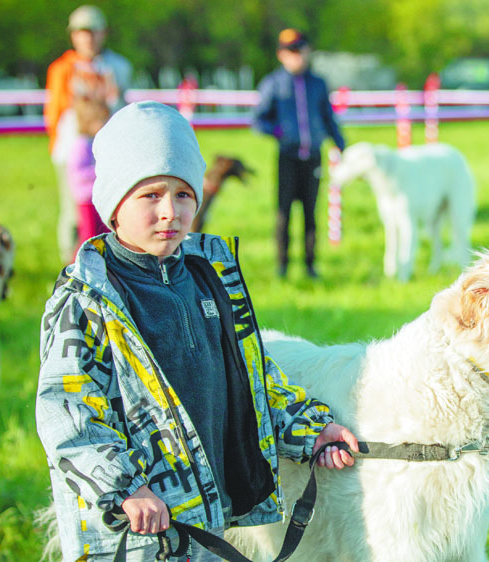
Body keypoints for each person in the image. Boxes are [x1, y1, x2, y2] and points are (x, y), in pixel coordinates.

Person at [36, 101, 359, 562]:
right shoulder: (87, 299)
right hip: (128, 532)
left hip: (205, 526)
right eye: (150, 195)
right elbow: (65, 411)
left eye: (183, 195)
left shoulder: (209, 279)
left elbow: (250, 380)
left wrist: (310, 429)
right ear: (113, 203)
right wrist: (126, 488)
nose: (170, 211)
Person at [253, 29, 346, 279]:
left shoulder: (318, 83)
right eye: (291, 52)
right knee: (284, 213)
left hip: (313, 156)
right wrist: (280, 132)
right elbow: (259, 120)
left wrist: (341, 144)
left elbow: (328, 118)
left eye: (300, 50)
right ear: (281, 55)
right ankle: (282, 265)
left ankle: (310, 265)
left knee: (310, 213)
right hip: (288, 157)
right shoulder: (273, 84)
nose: (297, 57)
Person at [44, 5, 132, 263]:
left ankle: (111, 261)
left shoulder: (118, 67)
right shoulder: (62, 69)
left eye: (93, 32)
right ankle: (71, 266)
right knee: (74, 212)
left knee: (110, 209)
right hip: (74, 151)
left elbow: (122, 107)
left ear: (103, 33)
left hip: (110, 150)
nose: (88, 38)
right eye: (82, 32)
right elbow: (55, 111)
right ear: (73, 35)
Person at [67, 96, 110, 253]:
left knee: (102, 234)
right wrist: (100, 170)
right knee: (89, 235)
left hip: (98, 198)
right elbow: (77, 173)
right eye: (101, 121)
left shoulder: (95, 142)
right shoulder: (81, 145)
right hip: (86, 199)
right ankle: (78, 266)